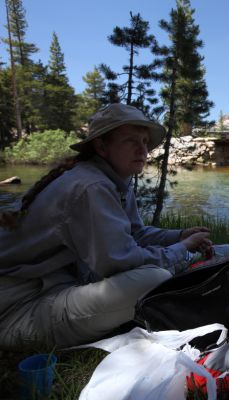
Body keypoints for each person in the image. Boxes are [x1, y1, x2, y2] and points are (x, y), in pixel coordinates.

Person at [0, 103, 213, 349]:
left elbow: (136, 234)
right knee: (153, 279)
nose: (142, 149)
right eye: (131, 141)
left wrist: (179, 235)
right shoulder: (91, 187)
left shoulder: (113, 180)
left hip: (54, 286)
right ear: (101, 146)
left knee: (157, 274)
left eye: (145, 142)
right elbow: (119, 261)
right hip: (16, 308)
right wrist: (183, 249)